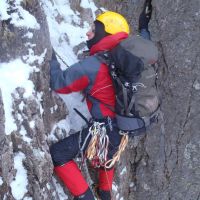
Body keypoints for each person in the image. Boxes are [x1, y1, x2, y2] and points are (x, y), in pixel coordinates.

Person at [49, 1, 152, 199]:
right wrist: (144, 28)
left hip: (104, 130)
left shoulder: (94, 65)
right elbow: (146, 40)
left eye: (94, 30)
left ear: (106, 34)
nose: (88, 33)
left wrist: (49, 54)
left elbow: (59, 82)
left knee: (59, 154)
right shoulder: (133, 62)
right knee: (107, 156)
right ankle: (105, 193)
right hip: (124, 127)